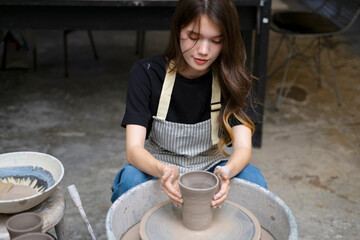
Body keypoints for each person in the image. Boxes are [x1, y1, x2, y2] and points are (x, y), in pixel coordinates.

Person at [111, 0, 267, 208]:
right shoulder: (147, 73)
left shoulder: (233, 78)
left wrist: (227, 172)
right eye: (193, 37)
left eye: (216, 41)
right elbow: (133, 149)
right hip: (159, 167)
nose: (203, 50)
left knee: (253, 179)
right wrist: (162, 171)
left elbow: (243, 147)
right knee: (131, 179)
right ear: (178, 31)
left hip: (212, 166)